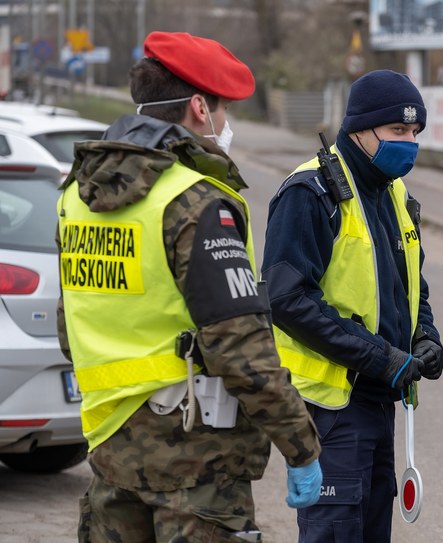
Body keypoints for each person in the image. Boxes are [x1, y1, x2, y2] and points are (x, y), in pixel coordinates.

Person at [56, 31, 322, 541]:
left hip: (111, 449)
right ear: (200, 107)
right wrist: (300, 446)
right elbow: (240, 347)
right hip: (197, 467)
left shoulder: (77, 195)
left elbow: (72, 329)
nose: (226, 124)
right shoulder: (195, 202)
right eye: (223, 110)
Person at [261, 69, 443, 541]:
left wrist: (424, 336)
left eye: (415, 132)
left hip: (382, 401)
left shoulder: (395, 193)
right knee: (336, 532)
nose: (409, 143)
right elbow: (286, 298)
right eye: (397, 131)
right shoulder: (310, 191)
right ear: (360, 130)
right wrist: (380, 357)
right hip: (332, 408)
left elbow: (410, 284)